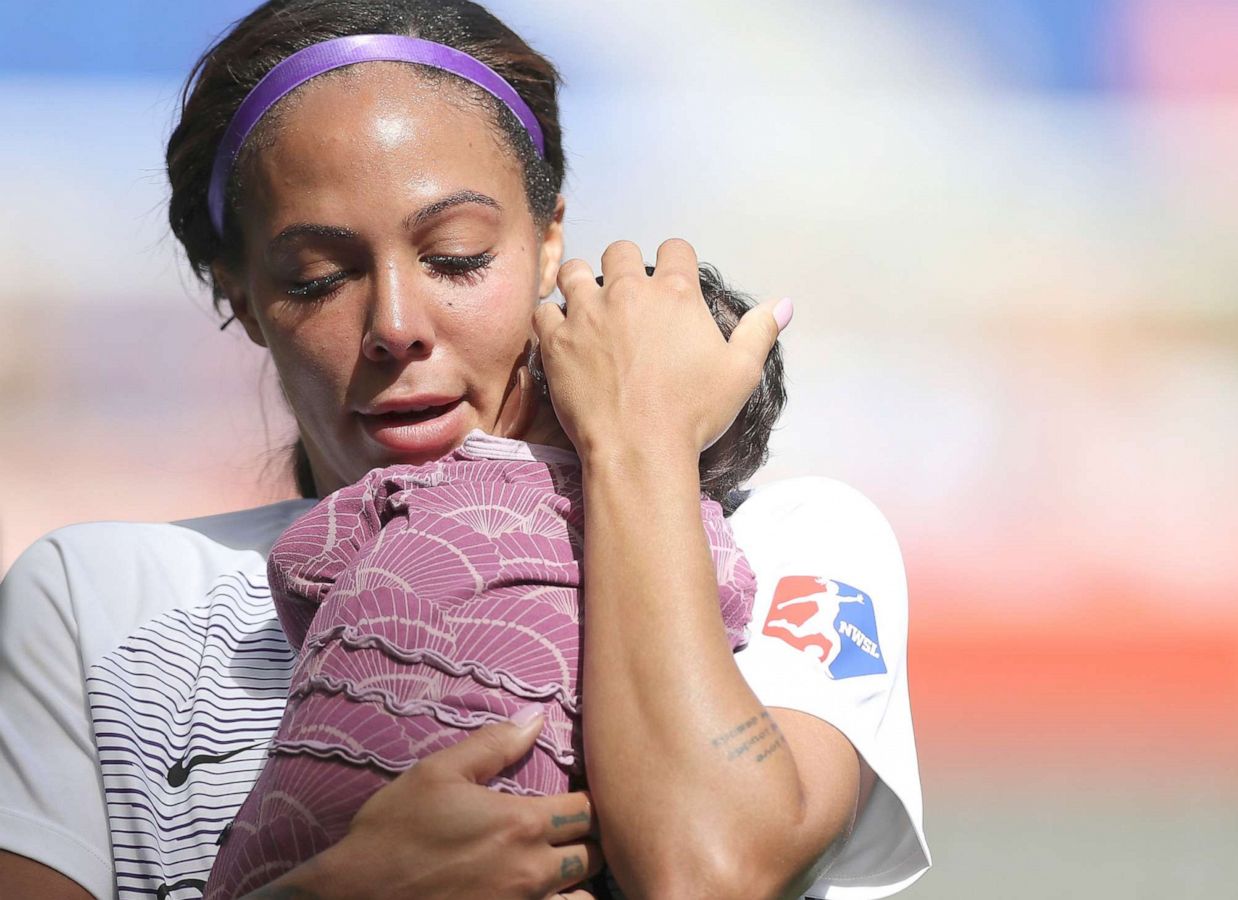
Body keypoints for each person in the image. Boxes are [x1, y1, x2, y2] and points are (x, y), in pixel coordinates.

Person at [0, 1, 929, 899]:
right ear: (238, 293)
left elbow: (708, 875)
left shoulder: (789, 544)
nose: (396, 325)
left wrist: (638, 442)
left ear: (548, 238)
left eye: (455, 257)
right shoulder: (92, 601)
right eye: (319, 277)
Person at [206, 266, 772, 899]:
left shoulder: (443, 475)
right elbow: (719, 620)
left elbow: (301, 565)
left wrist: (347, 649)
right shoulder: (700, 539)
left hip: (289, 836)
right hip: (534, 842)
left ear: (538, 365)